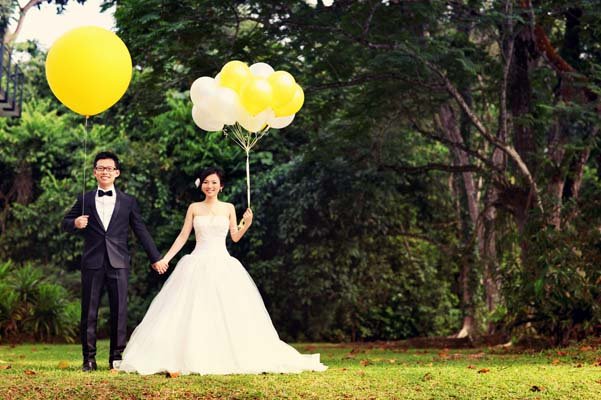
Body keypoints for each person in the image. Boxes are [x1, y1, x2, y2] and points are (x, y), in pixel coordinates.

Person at [118, 167, 327, 375]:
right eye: (206, 182)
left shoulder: (228, 207)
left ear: (221, 186)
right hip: (197, 262)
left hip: (222, 263)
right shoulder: (194, 208)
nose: (210, 186)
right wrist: (166, 258)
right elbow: (183, 236)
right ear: (201, 185)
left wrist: (247, 223)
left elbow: (234, 236)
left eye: (214, 182)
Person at [62, 151, 167, 372]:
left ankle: (116, 357)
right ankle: (88, 359)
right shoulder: (85, 199)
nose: (104, 172)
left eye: (109, 168)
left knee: (119, 311)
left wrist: (155, 258)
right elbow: (65, 222)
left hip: (119, 263)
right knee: (89, 311)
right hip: (92, 262)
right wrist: (76, 224)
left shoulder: (128, 201)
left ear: (116, 173)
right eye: (100, 168)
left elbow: (141, 231)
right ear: (94, 172)